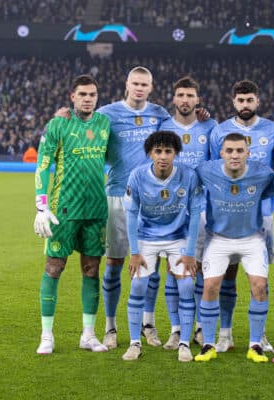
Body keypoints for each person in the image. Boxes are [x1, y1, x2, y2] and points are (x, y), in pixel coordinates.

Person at [96, 66, 172, 349]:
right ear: (126, 84)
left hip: (152, 198)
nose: (140, 88)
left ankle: (148, 325)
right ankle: (111, 327)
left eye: (145, 84)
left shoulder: (160, 114)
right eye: (135, 83)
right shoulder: (107, 113)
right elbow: (83, 127)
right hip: (117, 196)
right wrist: (64, 115)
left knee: (152, 265)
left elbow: (183, 127)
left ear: (151, 87)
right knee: (114, 263)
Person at [34, 74, 110, 354]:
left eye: (92, 94)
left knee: (91, 269)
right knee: (54, 268)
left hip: (96, 210)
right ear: (72, 96)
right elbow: (42, 165)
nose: (88, 98)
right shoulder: (59, 124)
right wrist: (41, 205)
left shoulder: (105, 123)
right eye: (83, 94)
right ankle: (46, 336)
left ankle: (88, 335)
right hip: (64, 210)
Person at [208, 80, 274, 353]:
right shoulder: (219, 131)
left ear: (257, 101)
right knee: (228, 274)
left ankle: (258, 336)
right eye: (241, 100)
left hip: (263, 214)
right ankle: (225, 333)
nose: (245, 105)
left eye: (250, 100)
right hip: (227, 216)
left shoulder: (273, 129)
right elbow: (215, 168)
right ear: (233, 102)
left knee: (260, 277)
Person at [121, 131, 202, 362]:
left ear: (176, 153)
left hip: (178, 236)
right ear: (150, 153)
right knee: (138, 286)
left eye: (168, 151)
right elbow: (131, 214)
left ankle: (184, 343)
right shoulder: (137, 176)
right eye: (158, 151)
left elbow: (195, 213)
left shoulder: (188, 175)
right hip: (147, 236)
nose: (163, 156)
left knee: (186, 286)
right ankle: (135, 343)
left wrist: (189, 253)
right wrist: (134, 252)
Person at [194, 133, 274, 363]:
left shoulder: (263, 173)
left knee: (260, 286)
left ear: (248, 153)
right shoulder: (206, 170)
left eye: (240, 150)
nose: (235, 155)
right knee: (210, 286)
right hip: (218, 239)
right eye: (229, 151)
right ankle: (208, 344)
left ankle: (255, 345)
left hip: (252, 239)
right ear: (221, 153)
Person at [158, 76, 217, 350]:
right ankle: (176, 328)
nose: (185, 100)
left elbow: (217, 166)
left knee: (203, 268)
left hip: (203, 209)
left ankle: (202, 327)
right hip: (171, 210)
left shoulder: (209, 126)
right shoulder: (163, 127)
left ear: (198, 100)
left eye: (190, 95)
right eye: (180, 94)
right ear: (173, 98)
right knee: (173, 270)